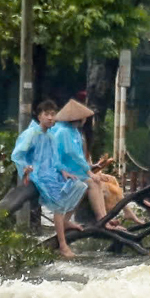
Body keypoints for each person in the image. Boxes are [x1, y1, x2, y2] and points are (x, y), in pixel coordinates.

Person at [11, 100, 88, 258]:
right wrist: (26, 168)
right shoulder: (31, 133)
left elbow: (55, 159)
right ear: (39, 116)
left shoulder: (52, 136)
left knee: (80, 186)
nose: (50, 118)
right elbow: (18, 154)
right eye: (47, 114)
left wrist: (63, 171)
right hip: (39, 174)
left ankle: (65, 222)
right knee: (58, 204)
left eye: (53, 114)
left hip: (51, 172)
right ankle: (63, 245)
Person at [52, 98, 126, 229]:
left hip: (71, 170)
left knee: (95, 182)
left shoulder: (73, 131)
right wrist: (89, 172)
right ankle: (100, 219)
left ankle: (104, 219)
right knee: (90, 183)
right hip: (59, 172)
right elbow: (75, 155)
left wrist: (91, 168)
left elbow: (78, 157)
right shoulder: (64, 131)